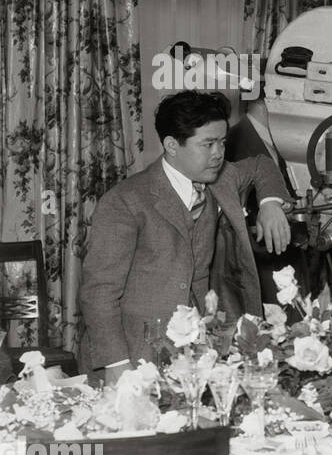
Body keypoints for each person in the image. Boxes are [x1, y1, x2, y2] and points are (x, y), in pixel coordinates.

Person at [79, 91, 291, 376]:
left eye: (222, 142)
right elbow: (98, 293)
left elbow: (260, 166)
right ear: (171, 145)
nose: (219, 153)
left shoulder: (221, 178)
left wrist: (270, 204)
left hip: (196, 357)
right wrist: (117, 367)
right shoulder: (125, 201)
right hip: (133, 356)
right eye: (208, 144)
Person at [226, 66, 308, 303]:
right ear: (269, 99)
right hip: (261, 269)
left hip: (290, 263)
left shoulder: (283, 140)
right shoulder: (233, 143)